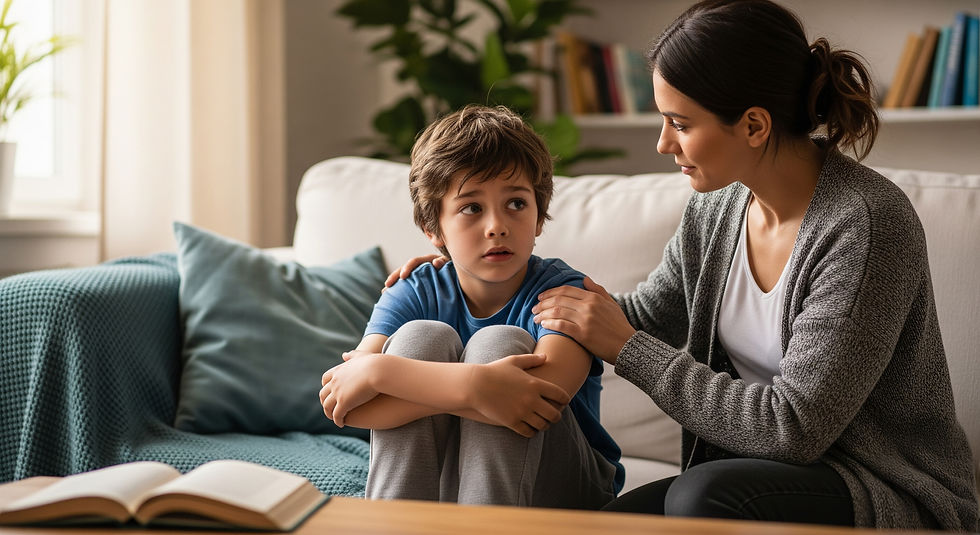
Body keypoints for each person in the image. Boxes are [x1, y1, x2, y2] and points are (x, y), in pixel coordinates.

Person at [384, 1, 979, 531]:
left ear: (753, 125)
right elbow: (641, 316)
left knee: (702, 495)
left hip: (878, 486)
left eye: (681, 123)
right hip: (745, 475)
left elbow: (791, 429)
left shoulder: (864, 223)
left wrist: (626, 347)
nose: (664, 143)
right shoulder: (718, 207)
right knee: (599, 527)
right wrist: (473, 279)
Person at [318, 104, 623, 509]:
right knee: (420, 337)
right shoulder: (414, 290)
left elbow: (540, 401)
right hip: (446, 488)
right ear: (433, 229)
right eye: (472, 208)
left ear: (539, 218)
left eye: (516, 204)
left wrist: (383, 373)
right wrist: (478, 388)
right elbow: (349, 406)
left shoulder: (563, 293)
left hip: (562, 491)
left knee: (498, 343)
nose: (497, 226)